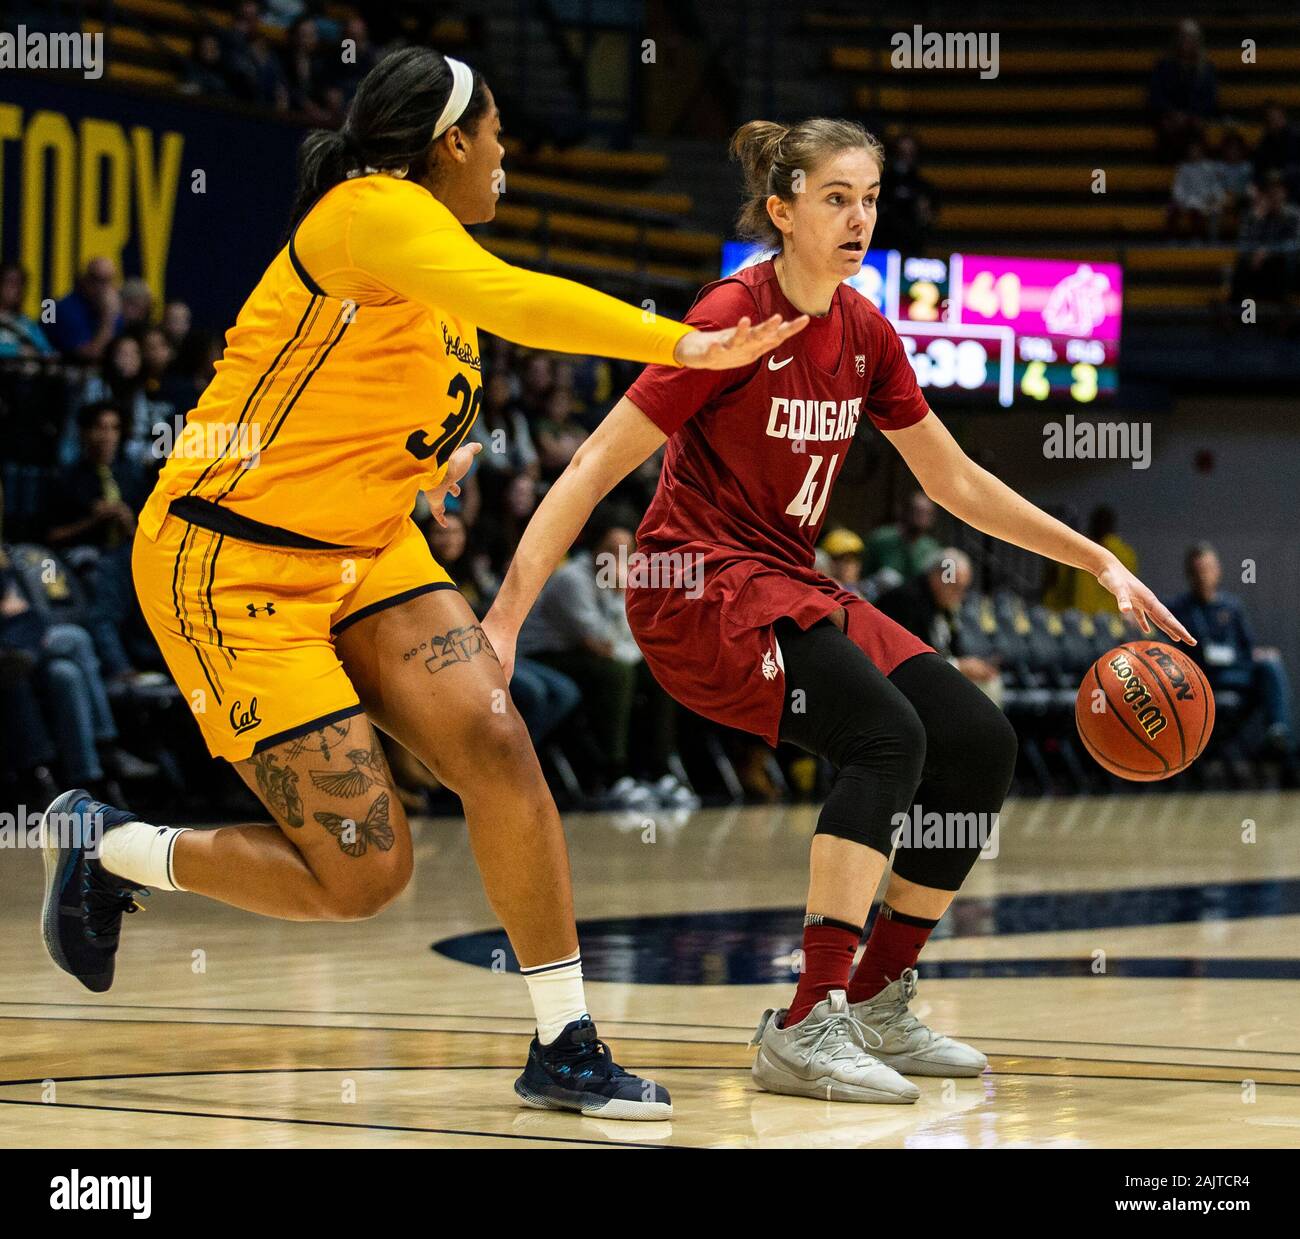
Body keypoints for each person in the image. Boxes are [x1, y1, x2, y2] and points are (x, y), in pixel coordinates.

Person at [38, 48, 804, 1122]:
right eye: (496, 135)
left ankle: (564, 1042)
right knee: (364, 876)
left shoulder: (427, 258)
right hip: (233, 558)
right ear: (451, 141)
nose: (506, 157)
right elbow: (519, 300)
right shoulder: (372, 209)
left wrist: (433, 459)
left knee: (494, 737)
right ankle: (113, 848)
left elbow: (391, 389)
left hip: (368, 545)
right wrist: (684, 342)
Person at [484, 115, 1194, 1105]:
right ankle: (805, 1020)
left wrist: (1095, 563)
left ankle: (873, 1002)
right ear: (780, 210)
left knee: (977, 739)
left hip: (787, 580)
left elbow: (955, 481)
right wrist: (506, 621)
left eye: (867, 197)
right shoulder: (734, 309)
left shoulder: (863, 331)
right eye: (834, 198)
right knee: (883, 737)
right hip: (695, 586)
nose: (858, 216)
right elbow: (594, 465)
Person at [1173, 543, 1297, 776]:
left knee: (1270, 665)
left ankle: (1278, 731)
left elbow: (1247, 647)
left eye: (1207, 569)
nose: (1203, 576)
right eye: (1197, 570)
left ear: (1217, 572)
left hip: (1237, 674)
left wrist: (1259, 655)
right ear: (1189, 574)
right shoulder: (1179, 608)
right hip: (1200, 680)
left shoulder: (1231, 606)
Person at [0, 262, 56, 358]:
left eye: (21, 283)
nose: (17, 288)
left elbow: (46, 350)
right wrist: (16, 351)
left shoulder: (26, 323)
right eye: (11, 282)